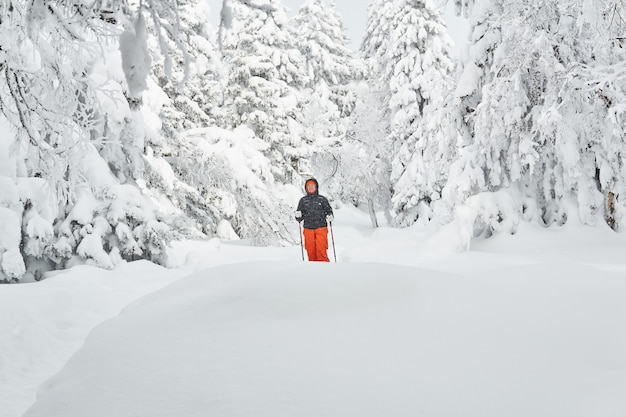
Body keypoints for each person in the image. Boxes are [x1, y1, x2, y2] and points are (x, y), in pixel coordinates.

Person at [295, 178, 334, 262]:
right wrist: (298, 216)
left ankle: (325, 268)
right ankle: (312, 269)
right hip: (308, 228)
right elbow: (299, 215)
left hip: (321, 228)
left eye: (312, 185)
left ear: (316, 187)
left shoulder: (322, 199)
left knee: (321, 249)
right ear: (306, 188)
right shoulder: (303, 201)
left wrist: (330, 216)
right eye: (308, 186)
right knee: (310, 250)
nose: (311, 187)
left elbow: (328, 211)